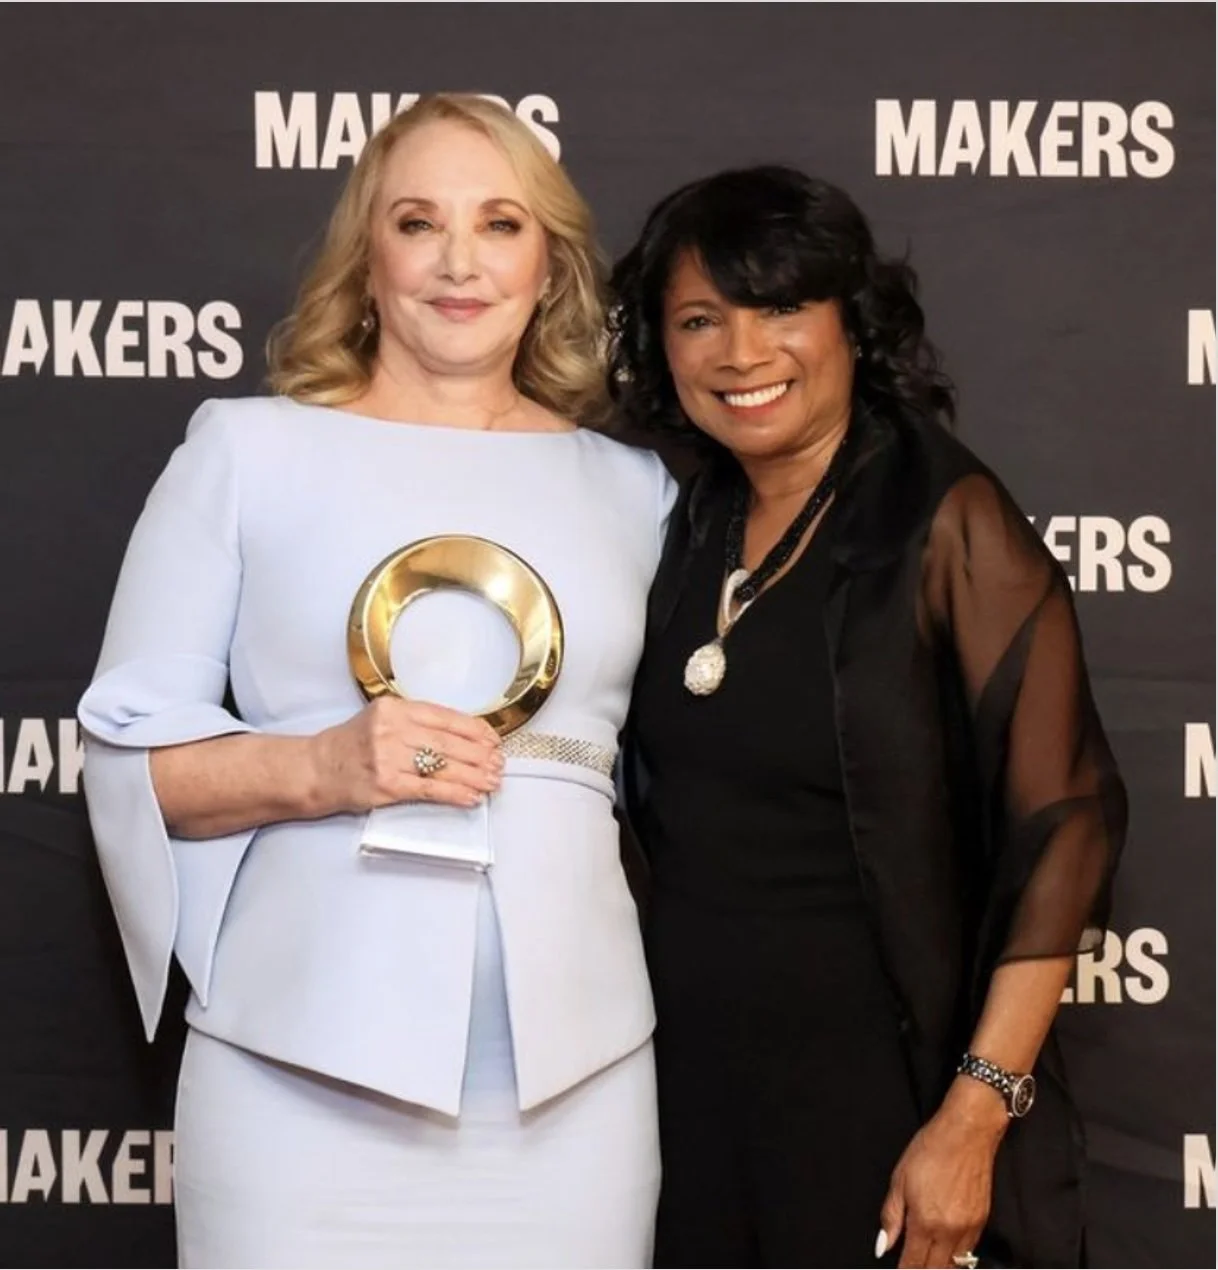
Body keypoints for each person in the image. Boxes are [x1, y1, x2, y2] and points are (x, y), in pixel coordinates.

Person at [78, 94, 674, 1270]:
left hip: (578, 1092)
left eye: (501, 223)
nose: (461, 261)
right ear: (368, 254)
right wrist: (320, 766)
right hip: (298, 1081)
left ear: (548, 261)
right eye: (419, 222)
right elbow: (130, 758)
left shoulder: (637, 488)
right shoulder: (247, 454)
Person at [610, 166, 1126, 1270]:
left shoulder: (942, 518)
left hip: (883, 1099)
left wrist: (975, 1114)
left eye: (782, 306)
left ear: (853, 320)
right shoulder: (685, 515)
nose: (741, 353)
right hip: (682, 1100)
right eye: (701, 319)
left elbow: (1068, 825)